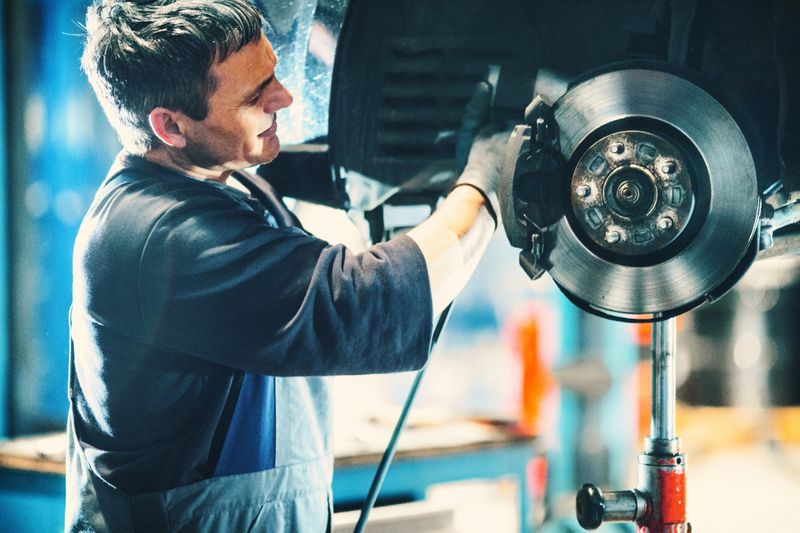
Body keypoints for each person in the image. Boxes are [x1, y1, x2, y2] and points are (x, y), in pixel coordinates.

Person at [68, 0, 507, 531]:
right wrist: (484, 180)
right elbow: (366, 304)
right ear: (170, 126)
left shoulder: (225, 178)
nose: (285, 97)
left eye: (273, 73)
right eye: (256, 95)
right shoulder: (160, 236)